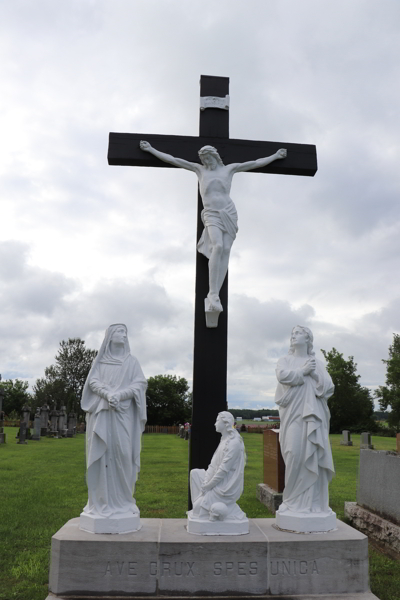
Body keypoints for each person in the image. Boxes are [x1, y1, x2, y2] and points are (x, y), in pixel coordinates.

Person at [140, 141, 287, 313]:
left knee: (225, 250)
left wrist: (276, 156)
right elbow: (173, 160)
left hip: (228, 212)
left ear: (215, 156)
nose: (206, 162)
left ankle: (216, 292)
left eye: (208, 158)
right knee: (217, 246)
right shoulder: (199, 170)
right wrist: (151, 149)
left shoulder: (229, 170)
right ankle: (213, 293)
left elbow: (255, 163)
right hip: (211, 214)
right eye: (203, 159)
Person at [81, 324, 147, 521]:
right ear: (109, 336)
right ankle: (102, 500)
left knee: (124, 454)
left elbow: (140, 384)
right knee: (103, 456)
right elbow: (93, 382)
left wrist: (120, 395)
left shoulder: (132, 362)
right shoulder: (100, 362)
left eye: (125, 332)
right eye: (119, 331)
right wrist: (108, 394)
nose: (123, 335)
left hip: (123, 416)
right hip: (102, 413)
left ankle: (125, 501)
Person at [275, 326, 335, 516]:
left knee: (313, 456)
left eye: (298, 333)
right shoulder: (285, 360)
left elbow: (329, 387)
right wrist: (302, 371)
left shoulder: (316, 363)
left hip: (313, 416)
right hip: (292, 413)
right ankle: (292, 500)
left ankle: (312, 503)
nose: (293, 335)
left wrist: (313, 373)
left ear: (308, 339)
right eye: (292, 333)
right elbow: (283, 376)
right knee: (293, 452)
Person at [189, 411, 246, 522]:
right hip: (216, 481)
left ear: (226, 423)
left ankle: (202, 506)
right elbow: (213, 465)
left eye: (217, 421)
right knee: (195, 473)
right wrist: (206, 482)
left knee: (196, 509)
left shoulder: (233, 443)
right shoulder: (224, 439)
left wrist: (209, 486)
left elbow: (223, 470)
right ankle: (202, 502)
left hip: (225, 487)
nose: (215, 424)